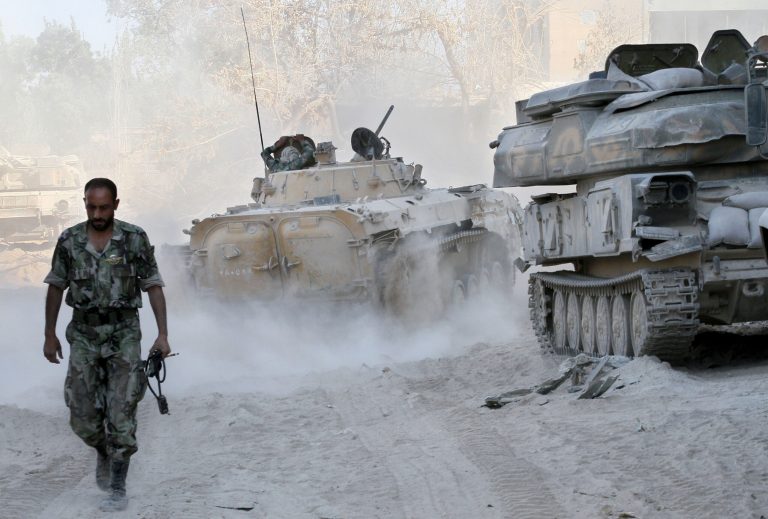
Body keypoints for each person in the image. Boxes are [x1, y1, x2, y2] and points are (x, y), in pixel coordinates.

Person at [43, 177, 171, 512]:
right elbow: (56, 286)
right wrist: (49, 334)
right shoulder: (70, 240)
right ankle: (102, 449)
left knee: (122, 409)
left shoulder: (133, 238)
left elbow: (153, 285)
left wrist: (162, 333)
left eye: (103, 206)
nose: (97, 213)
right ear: (85, 203)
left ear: (116, 203)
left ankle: (117, 485)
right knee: (83, 417)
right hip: (84, 334)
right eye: (91, 206)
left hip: (124, 333)